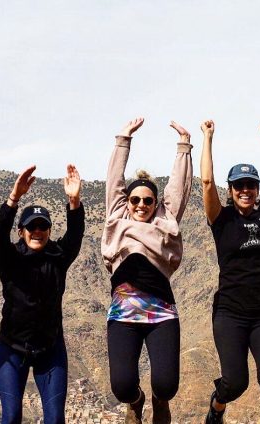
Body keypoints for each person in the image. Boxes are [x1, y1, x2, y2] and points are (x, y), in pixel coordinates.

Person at [199, 121, 260, 424]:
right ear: (231, 190)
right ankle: (217, 407)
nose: (245, 190)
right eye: (238, 185)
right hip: (231, 312)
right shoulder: (221, 219)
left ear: (257, 189)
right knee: (235, 383)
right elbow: (205, 182)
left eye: (250, 185)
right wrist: (208, 138)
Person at [101, 117, 193, 424]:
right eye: (135, 199)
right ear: (127, 202)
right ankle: (137, 401)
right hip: (123, 315)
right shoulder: (117, 219)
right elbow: (114, 181)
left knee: (167, 386)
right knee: (123, 387)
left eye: (148, 200)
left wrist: (183, 146)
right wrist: (122, 140)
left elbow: (178, 190)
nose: (141, 204)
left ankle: (157, 400)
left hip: (161, 313)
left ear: (156, 204)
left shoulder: (164, 224)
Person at [0, 164, 84, 424]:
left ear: (50, 231)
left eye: (43, 226)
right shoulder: (10, 260)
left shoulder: (58, 257)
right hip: (12, 349)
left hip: (50, 350)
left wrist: (74, 202)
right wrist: (13, 200)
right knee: (11, 417)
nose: (38, 231)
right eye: (32, 227)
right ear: (21, 231)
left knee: (55, 419)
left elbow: (75, 237)